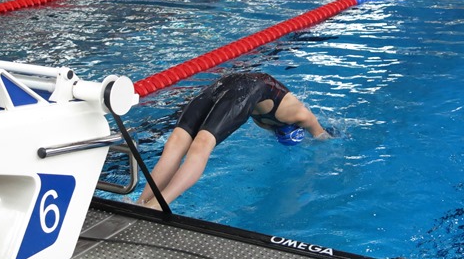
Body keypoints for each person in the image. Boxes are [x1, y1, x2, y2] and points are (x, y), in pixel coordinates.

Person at [136, 72, 330, 208]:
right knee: (202, 144)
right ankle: (156, 205)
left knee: (177, 140)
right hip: (247, 87)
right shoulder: (302, 116)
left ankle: (142, 203)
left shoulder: (274, 122)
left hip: (229, 82)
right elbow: (322, 136)